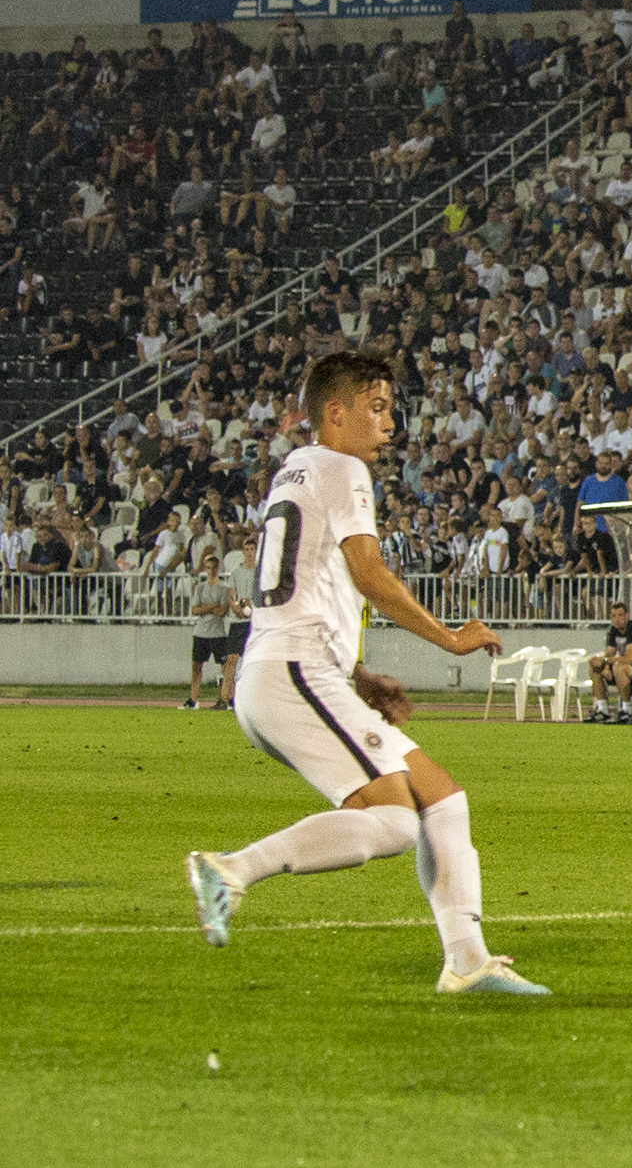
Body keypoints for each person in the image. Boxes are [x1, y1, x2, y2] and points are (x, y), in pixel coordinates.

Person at [185, 352, 546, 995]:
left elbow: (313, 587)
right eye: (376, 409)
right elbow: (368, 572)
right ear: (336, 413)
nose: (389, 425)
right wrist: (449, 638)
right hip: (293, 673)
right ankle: (231, 869)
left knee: (442, 800)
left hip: (291, 671)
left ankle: (466, 962)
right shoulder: (343, 467)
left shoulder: (293, 470)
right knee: (395, 822)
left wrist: (356, 673)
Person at [588, 600, 632, 722]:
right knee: (595, 667)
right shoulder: (613, 630)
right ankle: (602, 710)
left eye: (620, 615)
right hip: (628, 670)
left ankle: (626, 710)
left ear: (626, 616)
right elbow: (609, 653)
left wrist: (606, 660)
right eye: (614, 616)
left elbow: (629, 659)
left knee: (619, 666)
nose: (617, 619)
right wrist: (602, 662)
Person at [184, 552, 233, 710]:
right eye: (208, 568)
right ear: (205, 569)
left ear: (218, 568)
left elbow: (222, 612)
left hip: (217, 633)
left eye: (213, 568)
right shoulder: (200, 587)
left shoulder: (224, 588)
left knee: (225, 667)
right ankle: (193, 699)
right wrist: (212, 606)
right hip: (201, 632)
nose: (211, 571)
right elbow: (195, 610)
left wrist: (205, 608)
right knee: (196, 666)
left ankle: (226, 699)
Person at [221, 538, 257, 709]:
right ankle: (227, 697)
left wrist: (247, 604)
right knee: (232, 658)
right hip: (238, 620)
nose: (250, 553)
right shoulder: (237, 572)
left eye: (252, 549)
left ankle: (251, 697)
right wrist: (235, 607)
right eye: (247, 549)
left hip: (254, 621)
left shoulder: (260, 572)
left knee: (252, 661)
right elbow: (230, 593)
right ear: (242, 551)